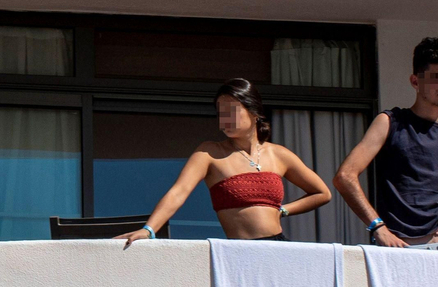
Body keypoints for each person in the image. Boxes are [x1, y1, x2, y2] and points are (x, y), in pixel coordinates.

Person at [117, 78, 332, 245]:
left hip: (278, 248)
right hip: (238, 251)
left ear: (254, 112)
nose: (225, 119)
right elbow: (178, 192)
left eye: (232, 111)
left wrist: (283, 210)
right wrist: (149, 230)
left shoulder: (278, 154)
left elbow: (322, 193)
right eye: (221, 113)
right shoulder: (209, 152)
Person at [334, 36, 438, 252]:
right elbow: (345, 177)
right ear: (415, 81)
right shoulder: (390, 123)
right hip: (403, 248)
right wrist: (377, 227)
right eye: (437, 78)